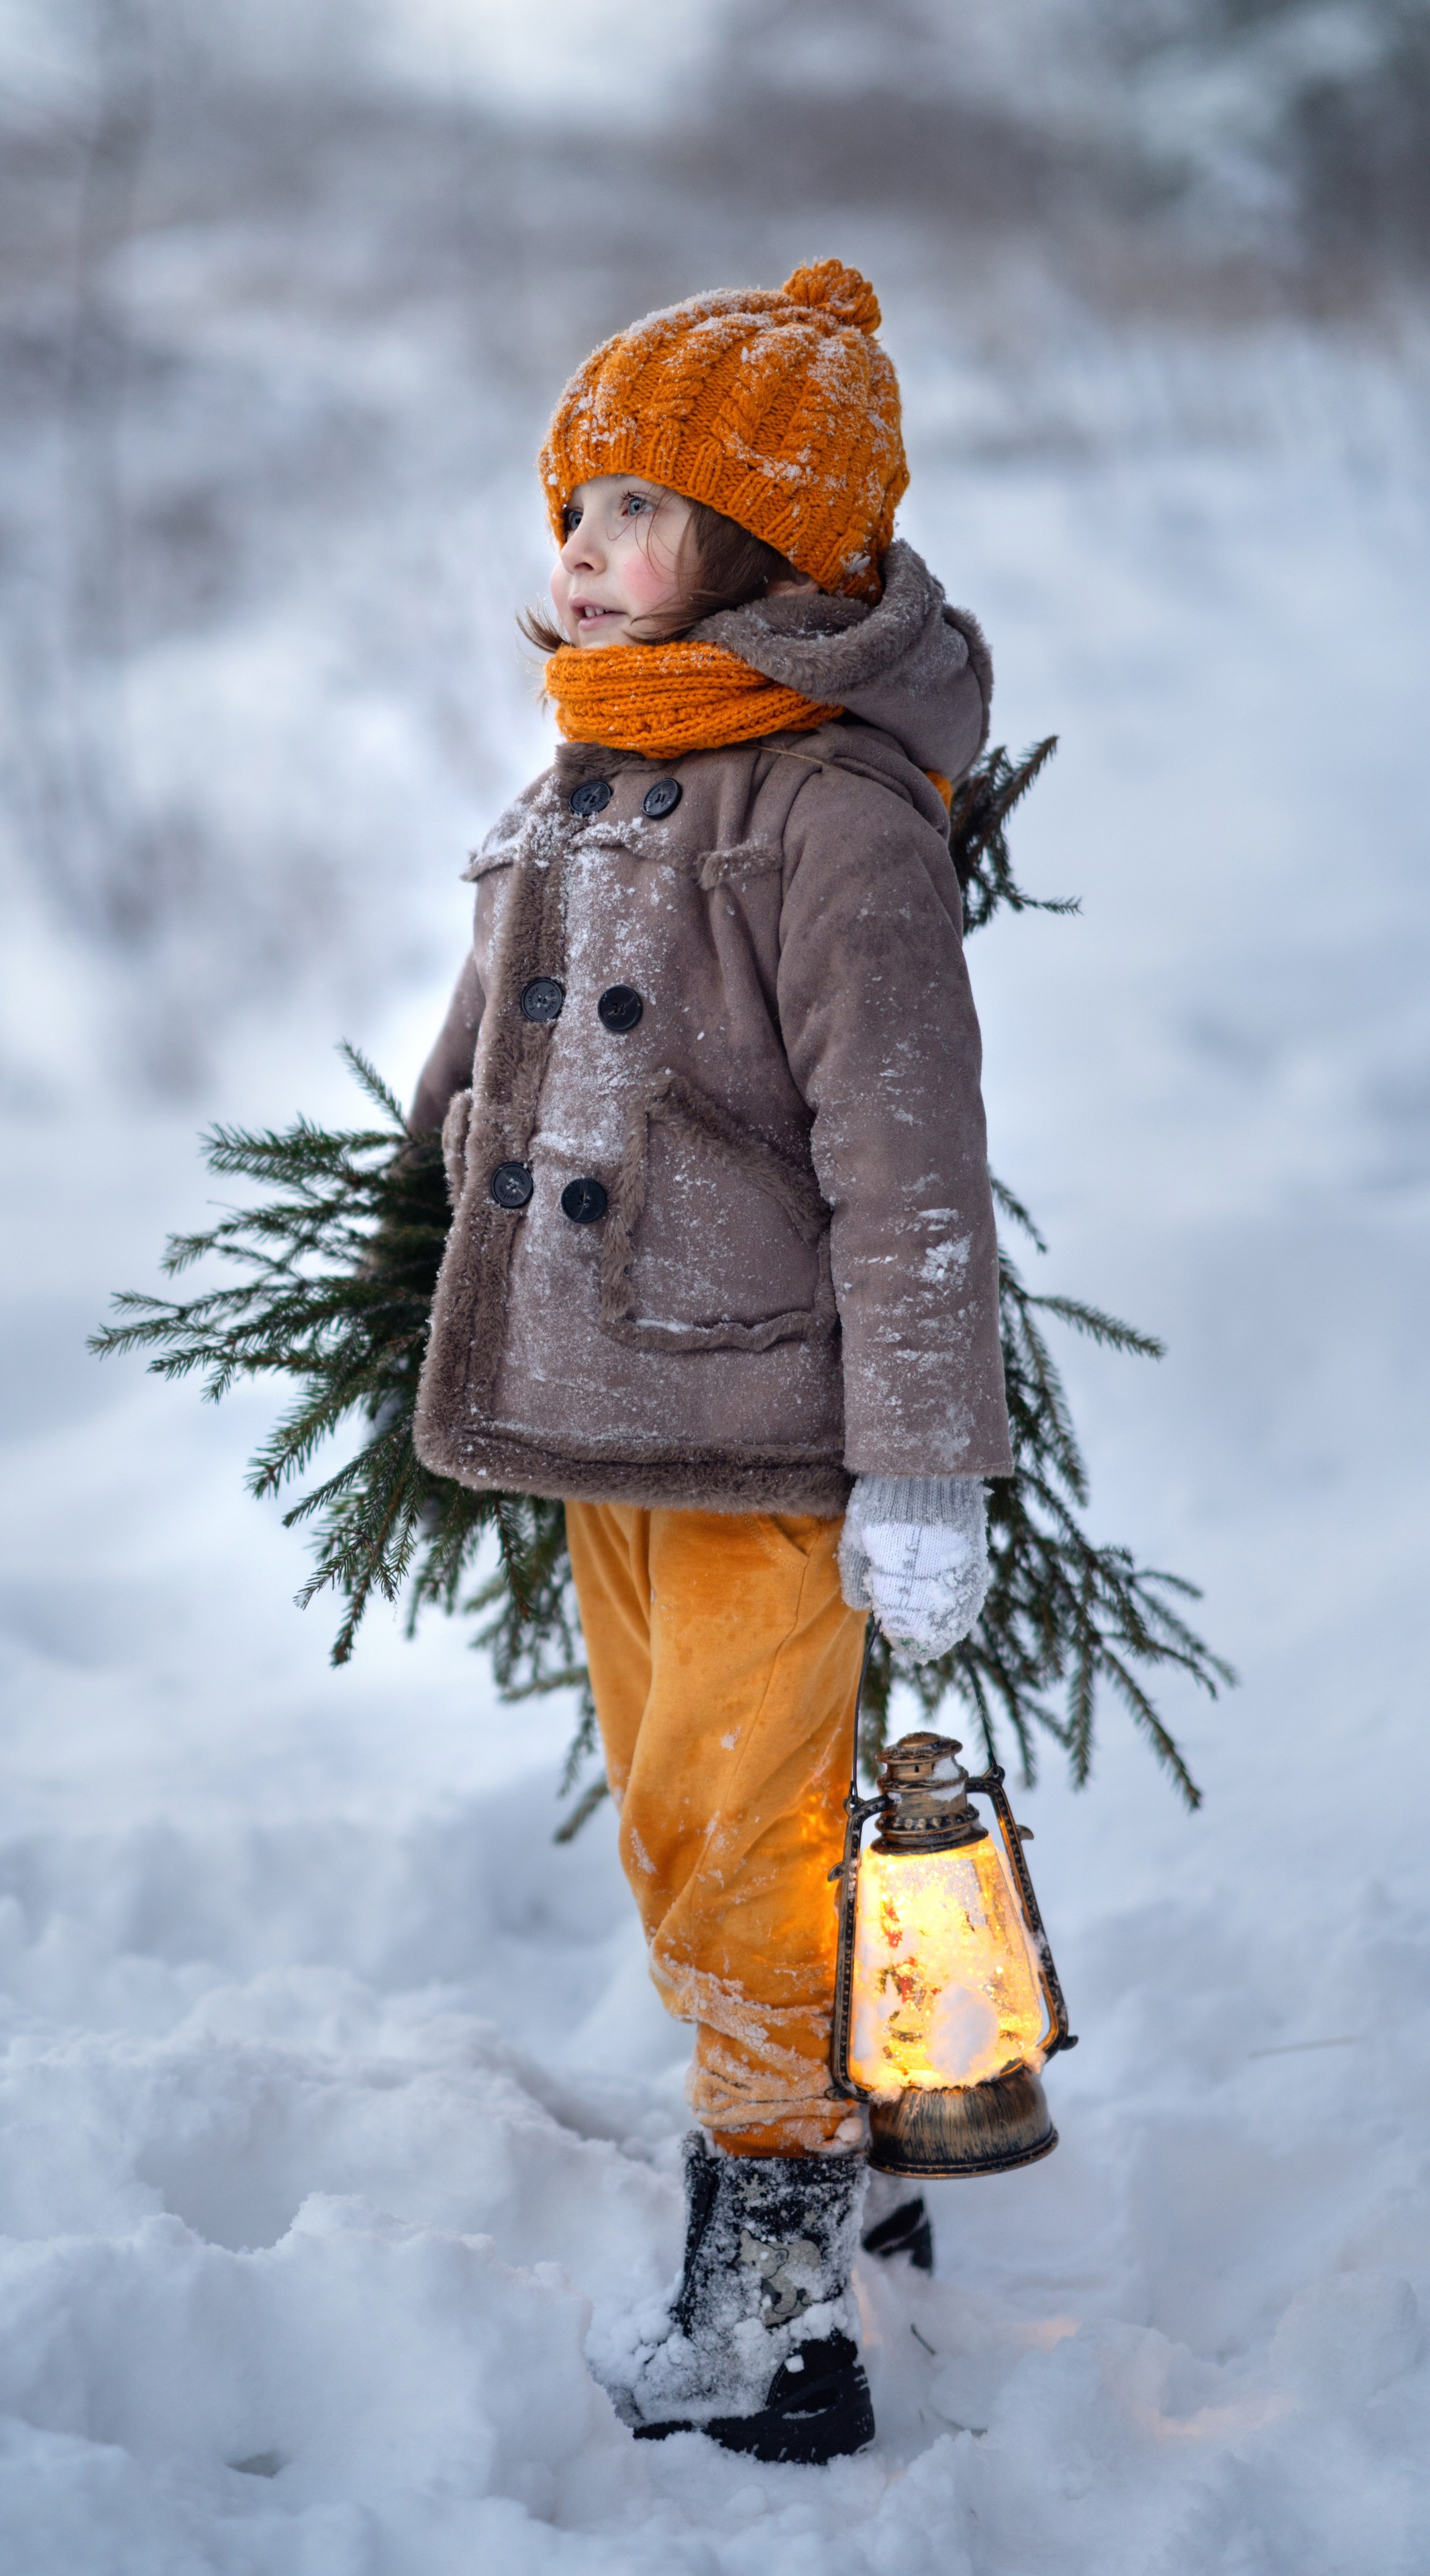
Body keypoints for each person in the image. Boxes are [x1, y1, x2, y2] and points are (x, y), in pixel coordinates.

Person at [408, 260, 1010, 2465]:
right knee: (674, 1827)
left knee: (744, 1848)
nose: (581, 543)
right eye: (573, 496)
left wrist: (925, 1463)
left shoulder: (829, 812)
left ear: (762, 544)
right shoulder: (595, 755)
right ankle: (846, 2138)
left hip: (764, 1420)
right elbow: (499, 1046)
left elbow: (909, 1165)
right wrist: (421, 1231)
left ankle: (778, 2316)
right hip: (602, 1403)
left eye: (639, 506)